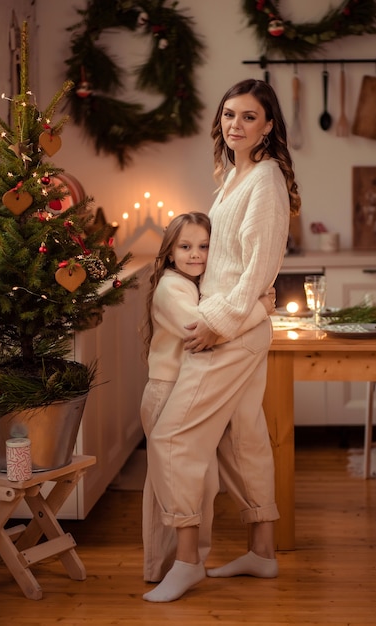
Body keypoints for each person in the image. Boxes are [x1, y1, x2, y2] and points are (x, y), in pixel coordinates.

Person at [143, 78, 301, 603]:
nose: (236, 124)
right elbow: (236, 267)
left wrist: (224, 319)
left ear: (269, 125)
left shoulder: (265, 180)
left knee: (171, 439)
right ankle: (263, 552)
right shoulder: (234, 178)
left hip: (228, 331)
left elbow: (259, 266)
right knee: (243, 438)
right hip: (239, 324)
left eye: (249, 116)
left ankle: (187, 561)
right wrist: (252, 309)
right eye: (229, 114)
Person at [141, 211, 275, 584]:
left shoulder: (202, 285)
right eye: (185, 247)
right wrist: (260, 308)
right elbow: (203, 330)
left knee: (200, 481)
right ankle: (161, 567)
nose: (196, 254)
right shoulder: (171, 288)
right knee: (164, 479)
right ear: (170, 253)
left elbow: (220, 323)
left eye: (204, 246)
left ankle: (191, 561)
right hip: (166, 390)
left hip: (193, 386)